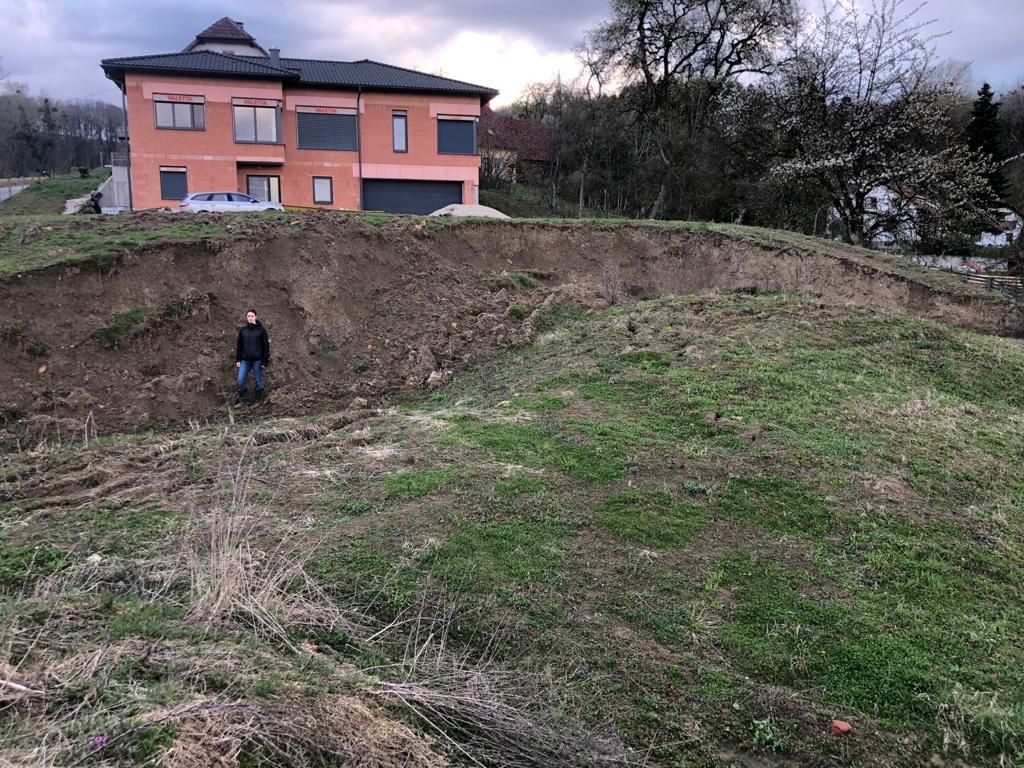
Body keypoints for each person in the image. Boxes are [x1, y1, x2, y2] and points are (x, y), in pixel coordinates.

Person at [235, 309, 270, 406]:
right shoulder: (243, 331)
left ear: (256, 317)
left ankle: (258, 399)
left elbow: (266, 346)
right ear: (246, 317)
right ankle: (242, 399)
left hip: (257, 360)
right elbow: (239, 345)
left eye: (252, 316)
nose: (250, 317)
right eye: (248, 316)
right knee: (240, 380)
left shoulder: (261, 330)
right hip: (245, 360)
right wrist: (238, 359)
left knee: (258, 380)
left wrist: (264, 361)